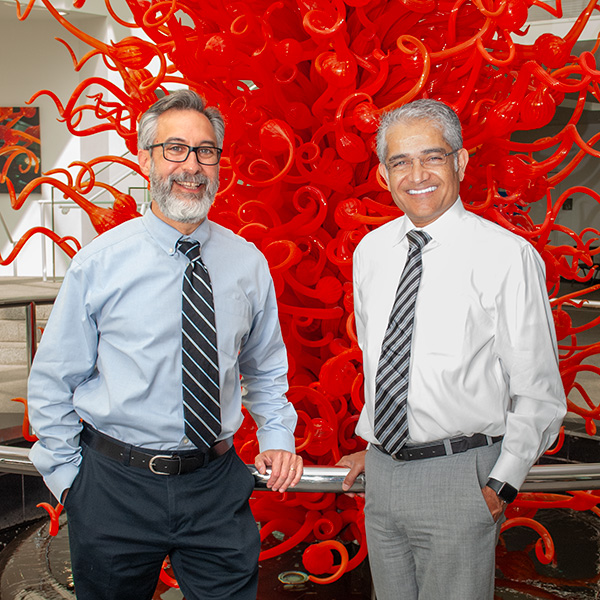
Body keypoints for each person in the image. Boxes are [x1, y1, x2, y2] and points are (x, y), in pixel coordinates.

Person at [27, 89, 303, 600]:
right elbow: (52, 381)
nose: (191, 166)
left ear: (218, 164)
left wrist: (277, 436)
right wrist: (71, 482)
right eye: (175, 149)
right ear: (145, 159)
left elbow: (265, 369)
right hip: (114, 486)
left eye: (205, 151)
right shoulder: (100, 263)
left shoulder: (247, 263)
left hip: (216, 486)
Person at [337, 99, 566, 600]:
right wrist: (376, 443)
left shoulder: (506, 256)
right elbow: (384, 363)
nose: (417, 174)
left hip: (461, 479)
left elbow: (539, 392)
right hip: (383, 477)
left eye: (432, 157)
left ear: (460, 162)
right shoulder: (371, 252)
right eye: (401, 161)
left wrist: (501, 484)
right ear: (383, 174)